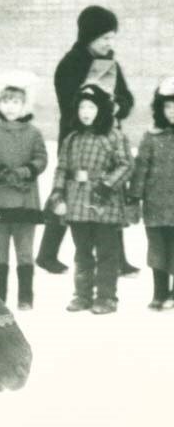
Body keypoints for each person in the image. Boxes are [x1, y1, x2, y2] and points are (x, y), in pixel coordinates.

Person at [38, 5, 138, 276]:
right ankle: (47, 253)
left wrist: (120, 106)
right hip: (76, 142)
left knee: (110, 190)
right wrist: (101, 108)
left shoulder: (110, 65)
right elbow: (70, 106)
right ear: (89, 37)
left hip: (106, 142)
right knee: (70, 192)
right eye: (105, 37)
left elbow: (127, 97)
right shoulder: (70, 64)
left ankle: (118, 259)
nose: (110, 42)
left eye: (112, 37)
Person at [49, 84, 133, 314]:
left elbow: (126, 165)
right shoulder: (72, 139)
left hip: (104, 203)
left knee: (107, 251)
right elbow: (62, 168)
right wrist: (57, 193)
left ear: (102, 109)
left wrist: (107, 185)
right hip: (76, 202)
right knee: (82, 251)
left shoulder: (114, 137)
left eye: (91, 107)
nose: (86, 112)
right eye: (82, 107)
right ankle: (82, 295)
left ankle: (106, 297)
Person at [0, 72, 48, 310]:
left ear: (24, 106)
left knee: (24, 252)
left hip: (25, 202)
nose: (10, 107)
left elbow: (41, 158)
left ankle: (25, 297)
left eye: (16, 102)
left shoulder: (34, 133)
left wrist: (25, 171)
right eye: (6, 101)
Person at [128, 77, 174, 310]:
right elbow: (141, 168)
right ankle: (159, 291)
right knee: (157, 250)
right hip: (155, 205)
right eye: (167, 106)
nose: (172, 111)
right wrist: (134, 198)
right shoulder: (152, 136)